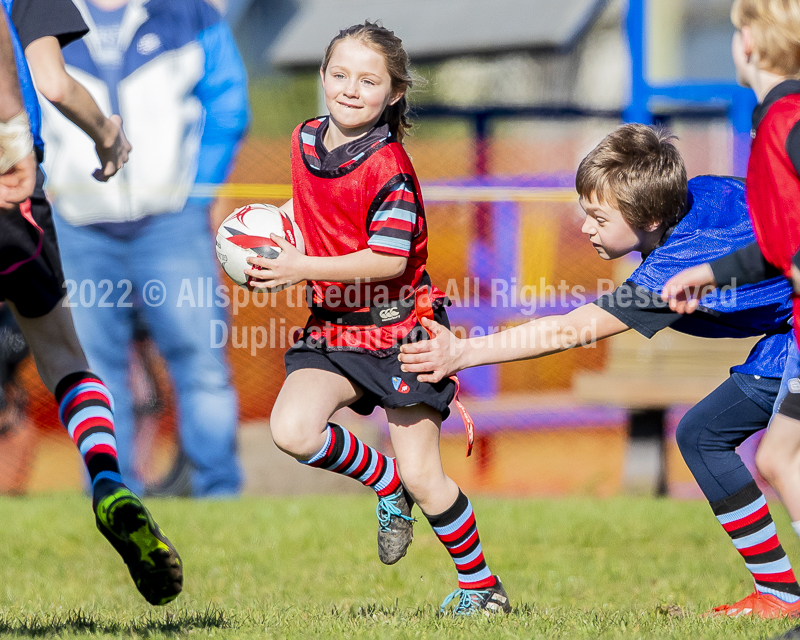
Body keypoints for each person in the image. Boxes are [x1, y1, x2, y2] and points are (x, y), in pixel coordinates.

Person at [399, 123, 800, 618]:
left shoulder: (673, 268)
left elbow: (568, 331)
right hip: (787, 333)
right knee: (703, 434)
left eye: (597, 216)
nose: (585, 226)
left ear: (650, 214)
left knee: (764, 453)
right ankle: (779, 596)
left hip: (794, 331)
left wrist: (460, 354)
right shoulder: (706, 193)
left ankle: (781, 597)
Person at [244, 22, 510, 617]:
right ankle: (384, 485)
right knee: (292, 429)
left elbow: (388, 258)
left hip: (400, 332)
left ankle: (482, 589)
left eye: (369, 80)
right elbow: (310, 209)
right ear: (322, 77)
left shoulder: (389, 165)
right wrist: (264, 230)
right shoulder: (304, 138)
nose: (350, 88)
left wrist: (300, 265)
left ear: (393, 93)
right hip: (334, 327)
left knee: (426, 477)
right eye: (339, 74)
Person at [0, 0, 182, 606]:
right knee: (62, 356)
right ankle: (107, 479)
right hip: (11, 192)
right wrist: (106, 133)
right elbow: (51, 81)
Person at [40, 0, 250, 497]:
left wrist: (198, 193)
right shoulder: (36, 11)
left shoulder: (190, 13)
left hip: (173, 225)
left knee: (202, 368)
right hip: (76, 227)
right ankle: (115, 500)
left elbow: (228, 104)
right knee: (93, 378)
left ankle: (222, 499)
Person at [661, 1, 800, 618]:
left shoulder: (788, 119)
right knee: (775, 456)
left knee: (780, 457)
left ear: (748, 42)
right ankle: (782, 595)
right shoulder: (771, 118)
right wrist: (710, 272)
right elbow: (779, 247)